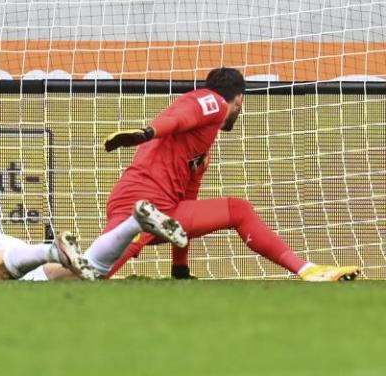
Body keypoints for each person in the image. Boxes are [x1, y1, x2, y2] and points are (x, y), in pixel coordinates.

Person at [82, 67, 360, 282]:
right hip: (141, 201)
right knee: (89, 275)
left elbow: (186, 205)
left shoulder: (202, 148)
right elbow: (181, 115)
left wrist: (179, 268)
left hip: (164, 211)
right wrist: (146, 133)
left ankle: (308, 270)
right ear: (239, 98)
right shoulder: (211, 100)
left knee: (237, 209)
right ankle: (43, 274)